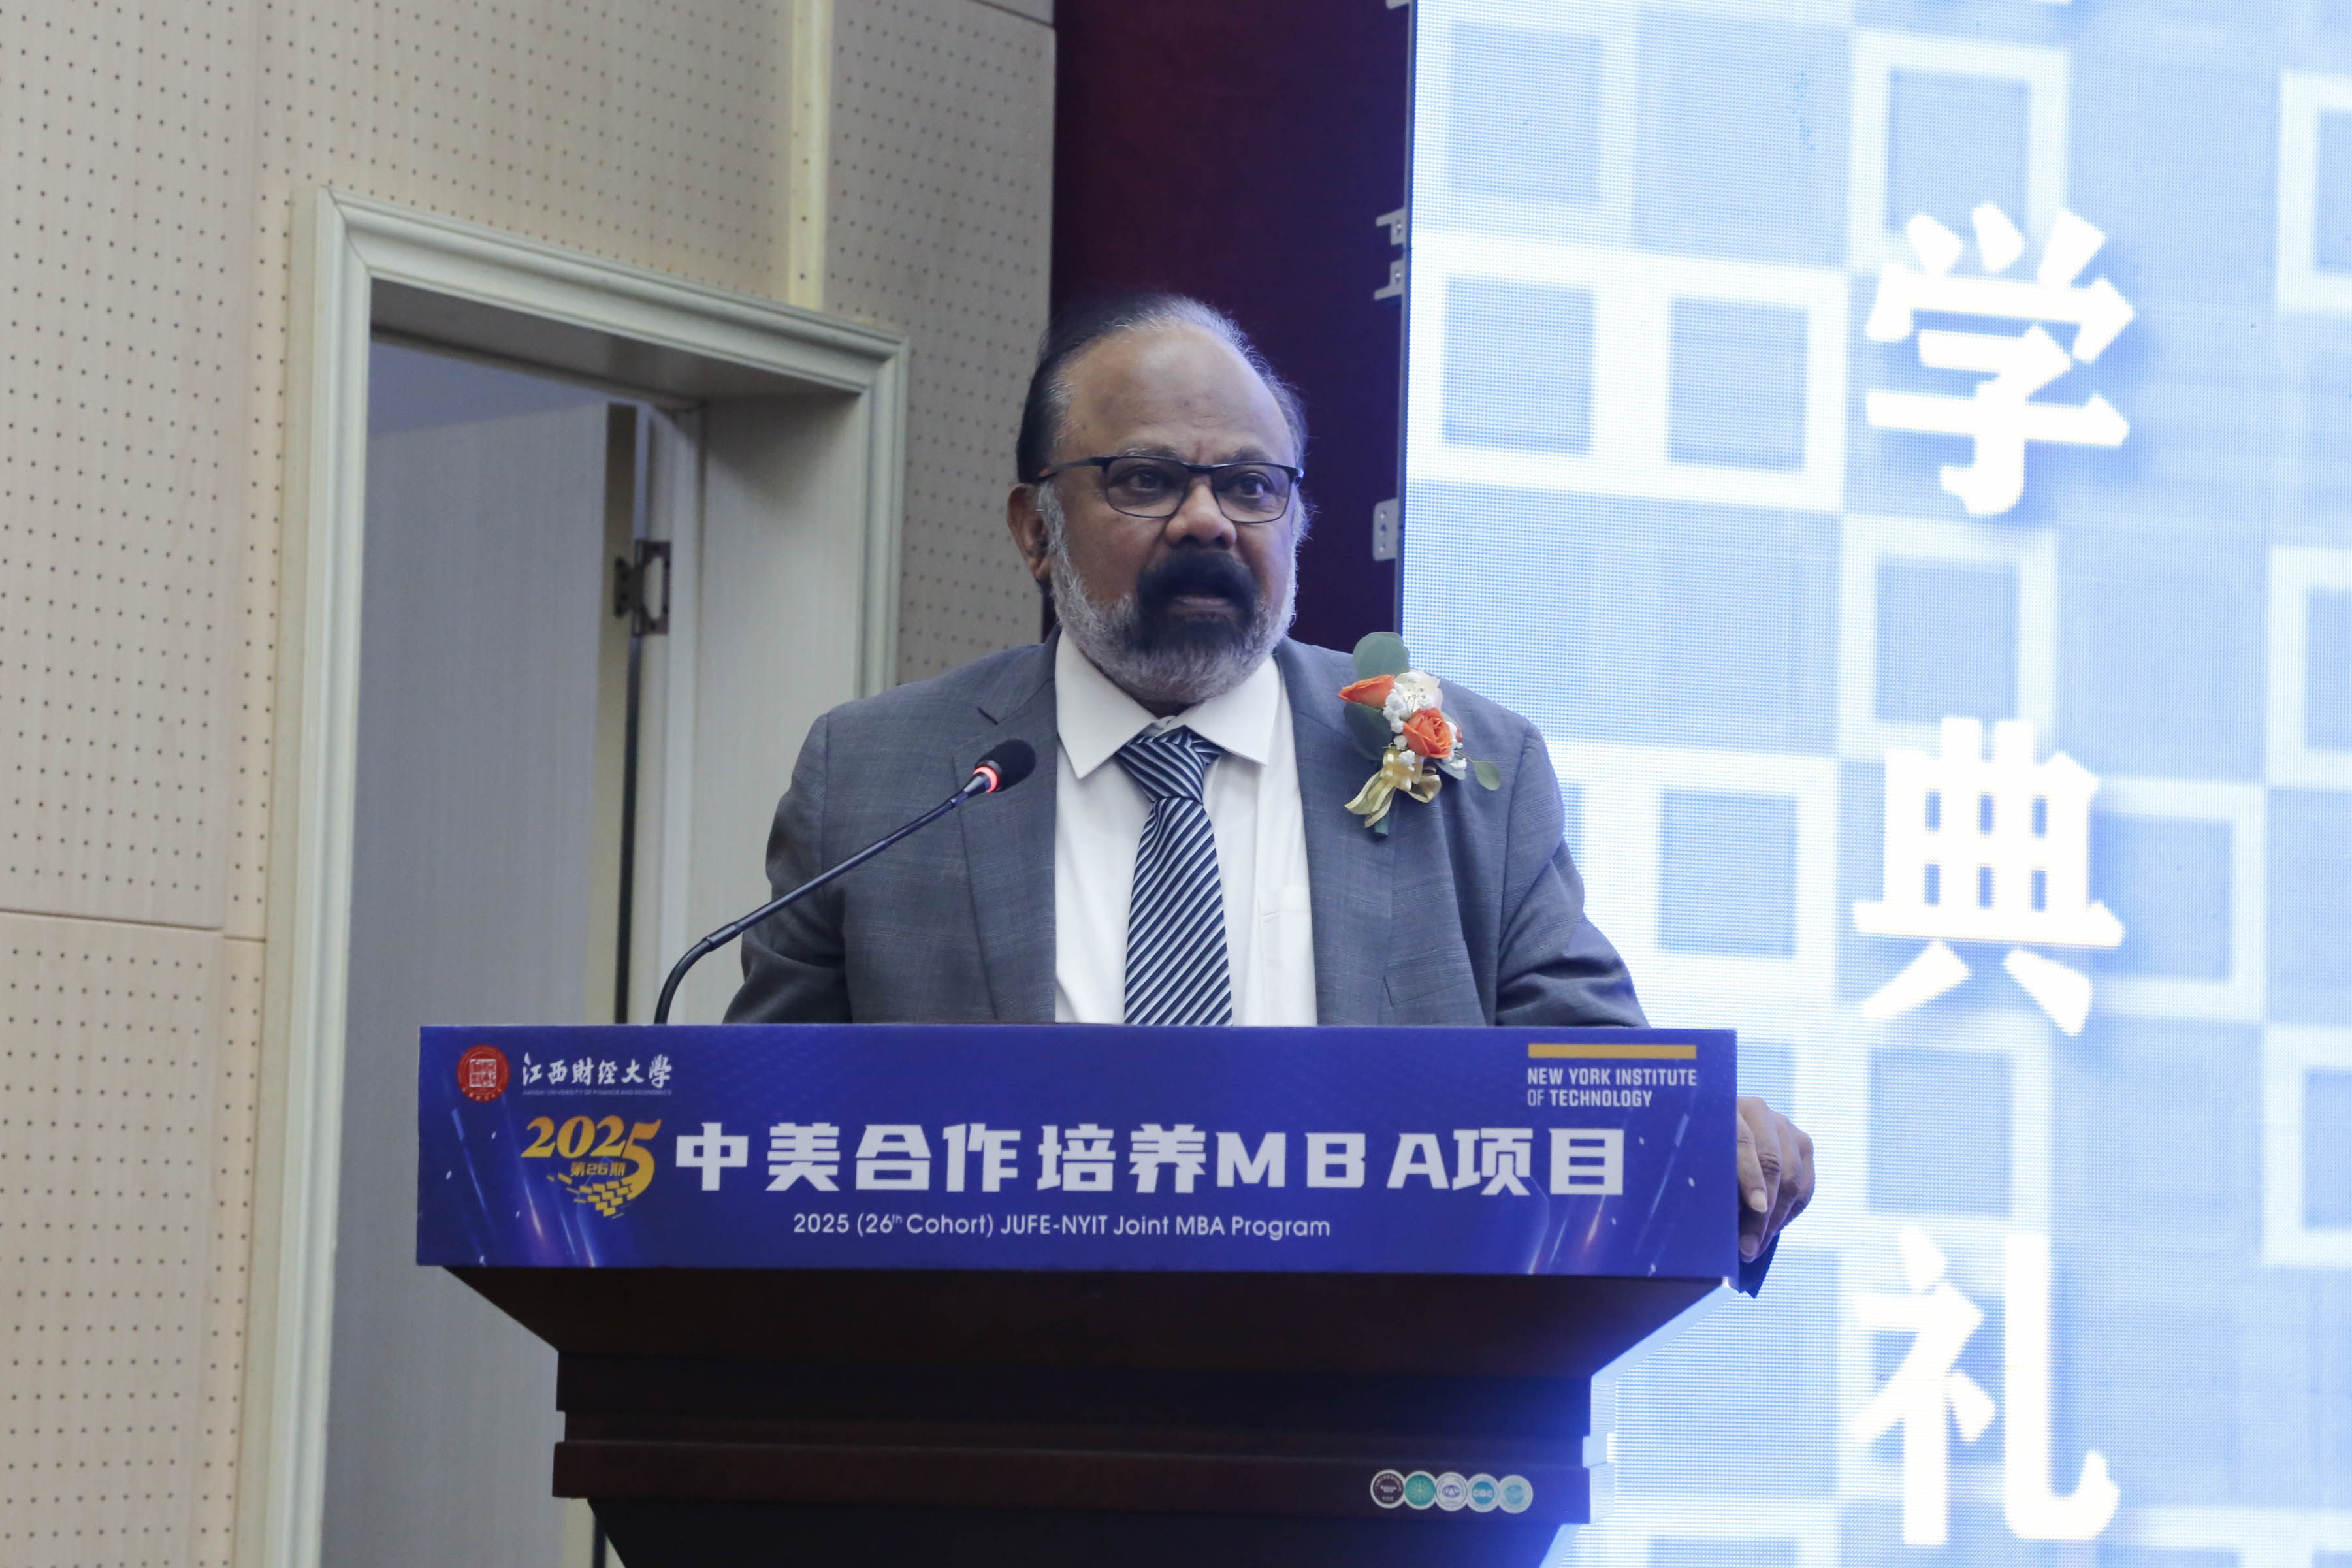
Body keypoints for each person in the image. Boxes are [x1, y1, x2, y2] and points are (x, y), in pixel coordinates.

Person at [727, 292, 1814, 1275]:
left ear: (1294, 522)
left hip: (1378, 1391)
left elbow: (1593, 1079)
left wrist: (1700, 1130)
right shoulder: (875, 776)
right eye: (1146, 479)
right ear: (1033, 529)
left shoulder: (1471, 765)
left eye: (1250, 486)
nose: (1206, 519)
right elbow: (753, 1144)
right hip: (989, 1392)